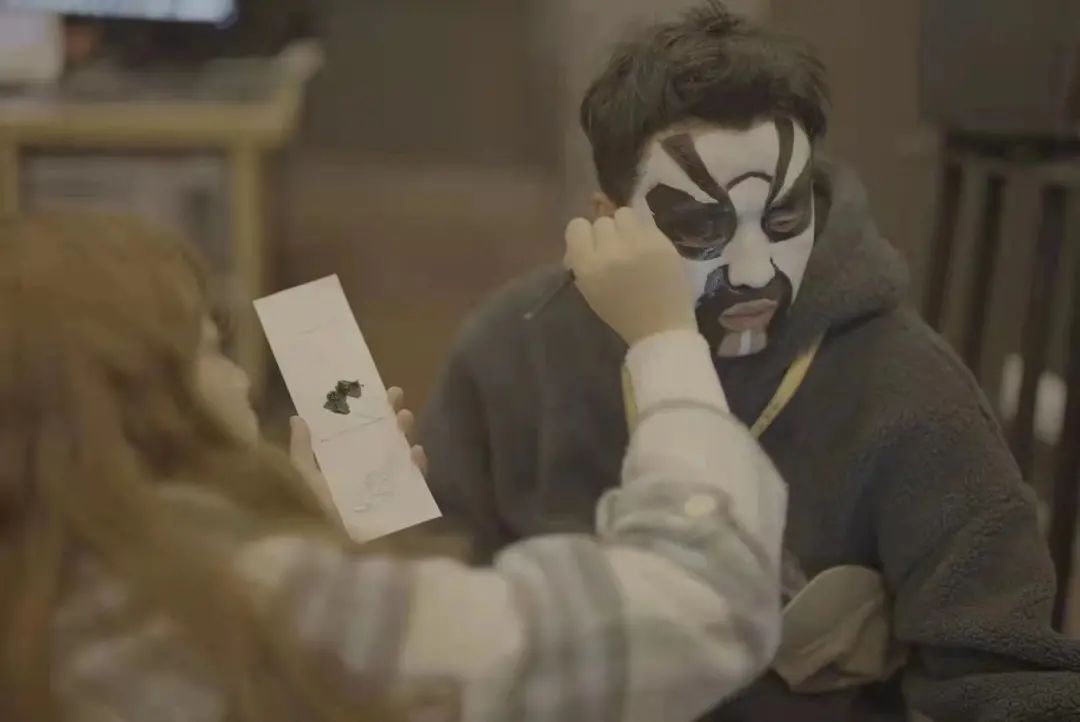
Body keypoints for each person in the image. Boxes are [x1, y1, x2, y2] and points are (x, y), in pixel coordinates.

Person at [418, 3, 1080, 721]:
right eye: (702, 227)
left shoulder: (910, 394)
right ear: (611, 219)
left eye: (785, 218)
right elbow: (428, 603)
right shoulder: (514, 351)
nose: (754, 269)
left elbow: (1008, 683)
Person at [0, 211, 787, 722]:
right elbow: (701, 606)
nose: (239, 379)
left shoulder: (48, 590)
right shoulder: (233, 605)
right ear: (141, 408)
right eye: (209, 350)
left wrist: (300, 542)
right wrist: (664, 336)